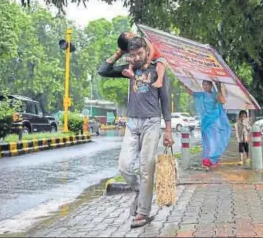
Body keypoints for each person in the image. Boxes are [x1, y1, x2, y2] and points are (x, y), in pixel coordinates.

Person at [98, 37, 174, 228]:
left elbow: (165, 100)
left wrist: (168, 130)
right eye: (133, 55)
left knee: (147, 168)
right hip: (132, 123)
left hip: (152, 122)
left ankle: (143, 212)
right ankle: (141, 192)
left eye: (140, 53)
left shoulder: (157, 68)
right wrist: (120, 53)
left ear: (147, 52)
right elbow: (103, 71)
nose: (137, 57)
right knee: (124, 167)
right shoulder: (128, 69)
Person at [182, 80, 231, 168]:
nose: (204, 86)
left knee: (215, 141)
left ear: (211, 85)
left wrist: (219, 87)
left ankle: (213, 159)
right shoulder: (202, 94)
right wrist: (184, 85)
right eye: (203, 85)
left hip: (214, 122)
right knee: (207, 141)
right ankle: (207, 160)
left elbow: (223, 101)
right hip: (205, 122)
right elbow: (192, 93)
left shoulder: (215, 95)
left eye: (206, 85)